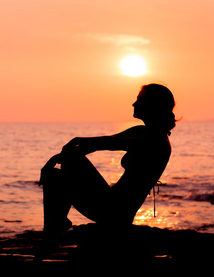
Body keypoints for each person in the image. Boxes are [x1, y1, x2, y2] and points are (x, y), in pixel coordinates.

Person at [39, 83, 176, 249]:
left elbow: (107, 143)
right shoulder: (142, 131)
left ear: (153, 105)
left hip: (115, 213)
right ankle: (56, 227)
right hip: (109, 203)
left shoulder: (156, 140)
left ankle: (52, 233)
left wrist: (75, 142)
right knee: (54, 176)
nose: (133, 104)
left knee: (63, 168)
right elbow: (96, 144)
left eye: (139, 100)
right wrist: (59, 157)